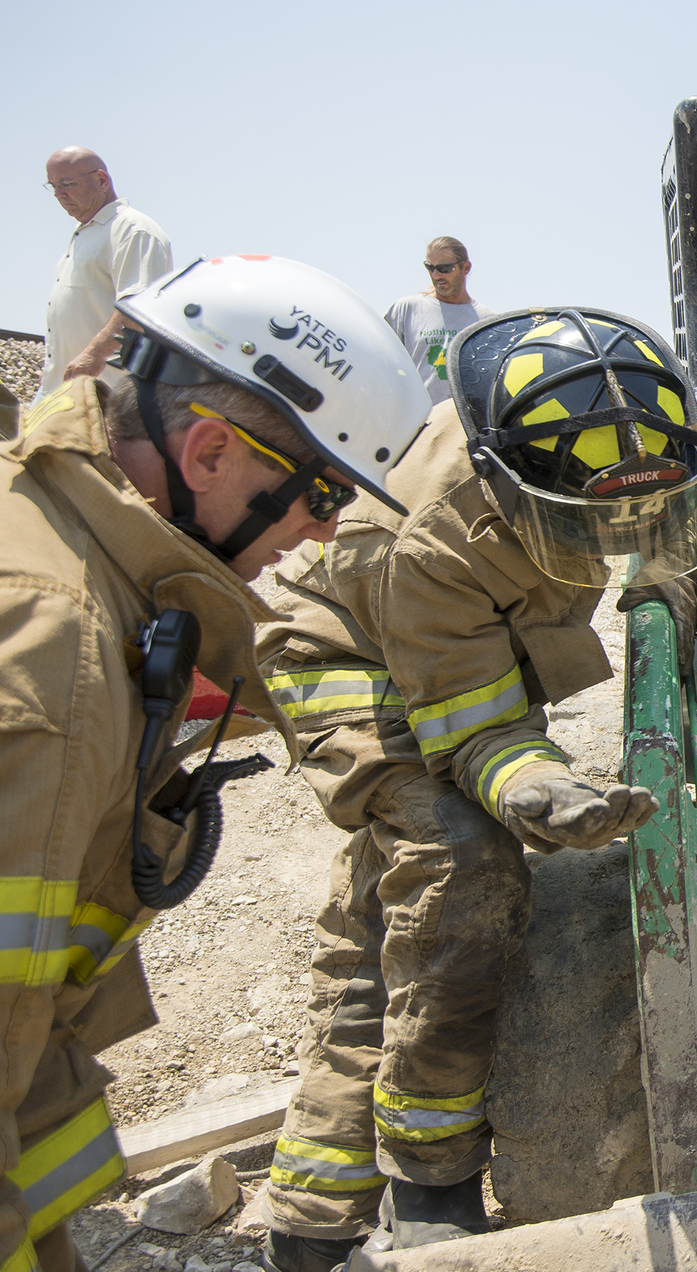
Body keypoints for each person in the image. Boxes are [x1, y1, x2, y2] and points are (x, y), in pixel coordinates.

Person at [255, 306, 697, 1270]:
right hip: (351, 651)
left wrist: (660, 587)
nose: (615, 536)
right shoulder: (431, 538)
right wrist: (542, 792)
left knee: (388, 925)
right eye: (595, 526)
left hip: (461, 647)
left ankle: (312, 1216)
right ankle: (431, 1179)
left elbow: (658, 532)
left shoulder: (621, 429)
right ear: (518, 487)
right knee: (460, 869)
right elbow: (478, 731)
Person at [0, 254, 430, 1272]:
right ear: (206, 455)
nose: (325, 531)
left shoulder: (76, 553)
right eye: (321, 493)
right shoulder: (52, 651)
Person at [37, 146, 172, 402]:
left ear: (101, 180)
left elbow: (138, 306)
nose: (59, 194)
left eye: (67, 183)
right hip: (62, 392)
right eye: (53, 186)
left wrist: (94, 355)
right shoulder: (87, 234)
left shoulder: (133, 229)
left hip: (106, 395)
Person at [383, 237, 496, 406]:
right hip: (418, 421)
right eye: (430, 267)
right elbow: (381, 362)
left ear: (466, 268)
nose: (436, 275)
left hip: (463, 425)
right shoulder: (406, 309)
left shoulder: (488, 320)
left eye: (444, 268)